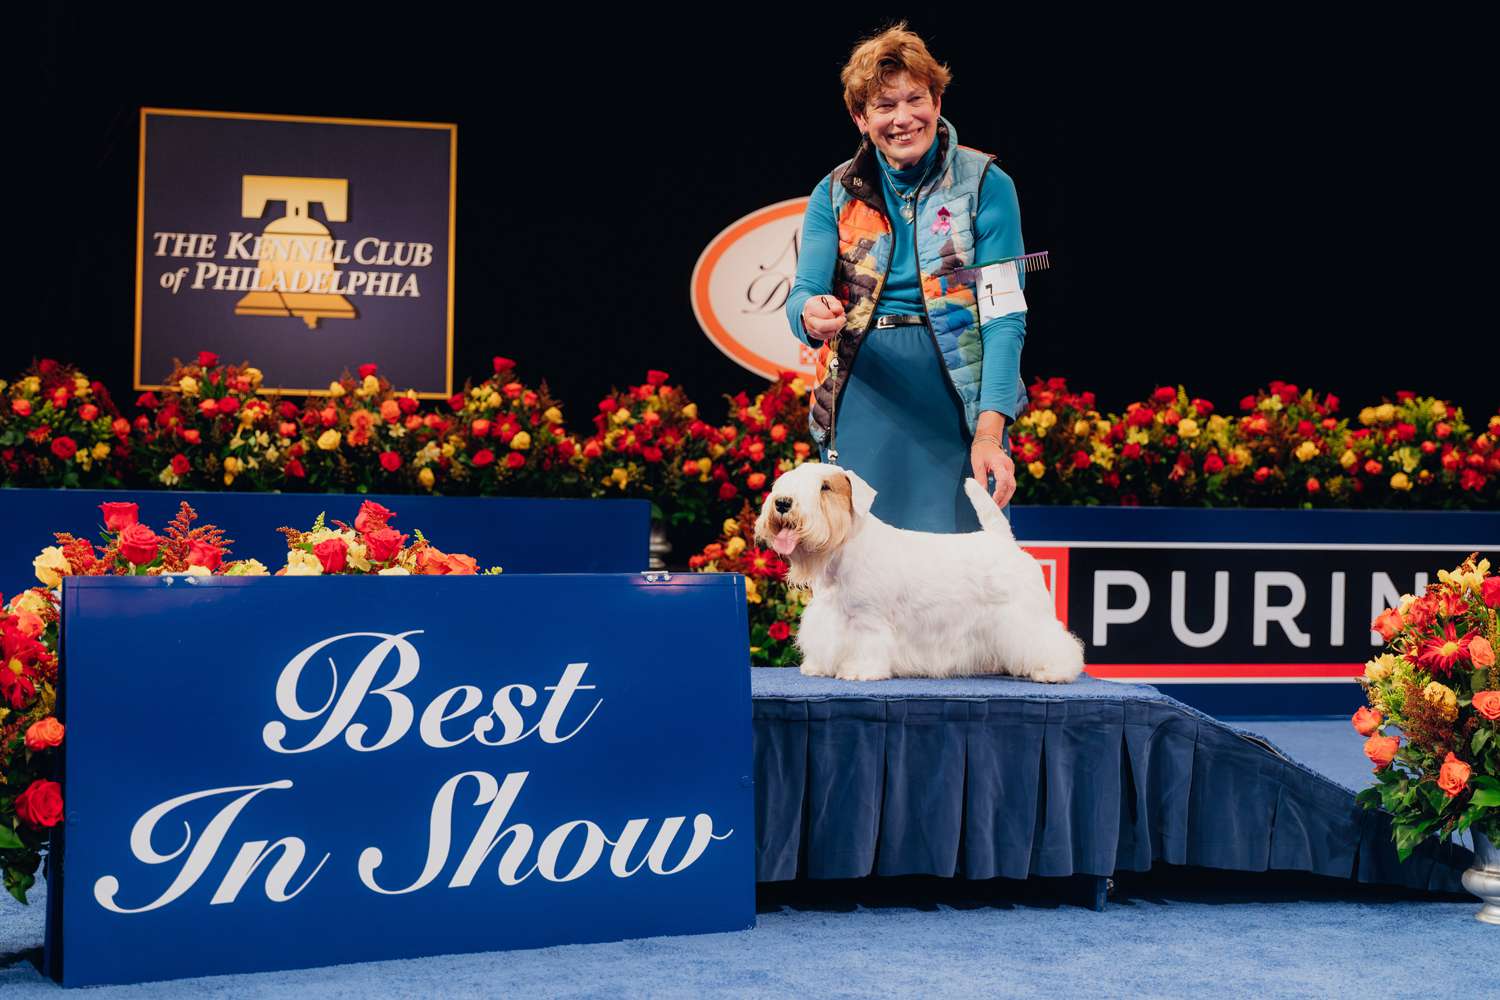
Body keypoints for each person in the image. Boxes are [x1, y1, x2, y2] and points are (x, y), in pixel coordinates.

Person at [784, 23, 1028, 533]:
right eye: (883, 106)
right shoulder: (833, 193)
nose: (902, 119)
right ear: (859, 118)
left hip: (957, 399)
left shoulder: (987, 184)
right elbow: (803, 293)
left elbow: (1004, 319)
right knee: (859, 584)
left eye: (915, 99)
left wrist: (989, 434)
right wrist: (809, 312)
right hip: (863, 392)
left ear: (937, 101)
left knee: (961, 586)